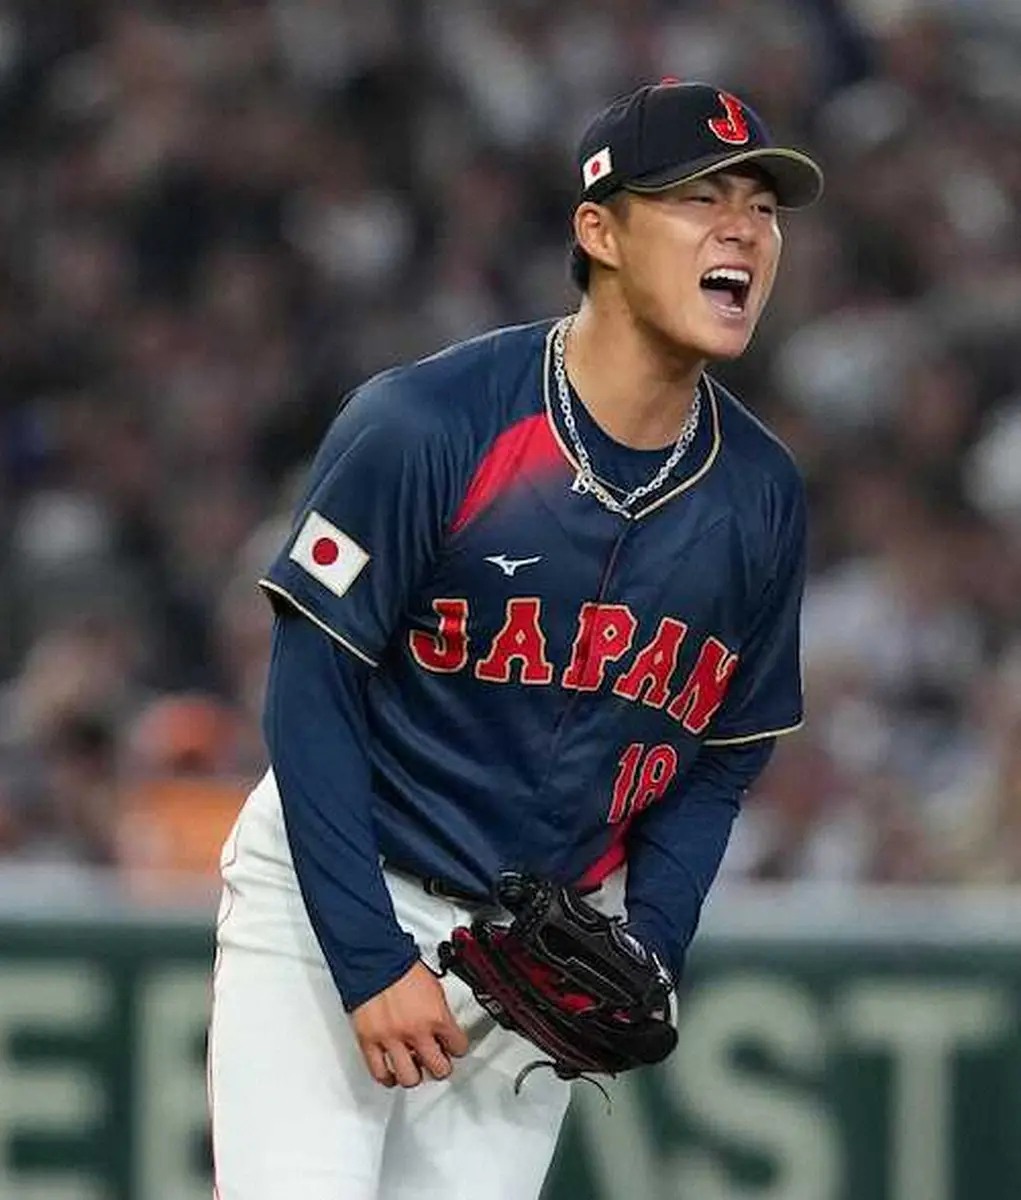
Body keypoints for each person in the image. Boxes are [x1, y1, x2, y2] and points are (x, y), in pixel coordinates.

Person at [207, 79, 824, 1200]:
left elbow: (723, 755)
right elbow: (310, 686)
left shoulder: (760, 496)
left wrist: (651, 944)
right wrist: (367, 956)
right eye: (700, 198)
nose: (742, 229)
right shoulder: (430, 424)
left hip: (532, 952)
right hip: (336, 890)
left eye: (762, 207)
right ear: (599, 232)